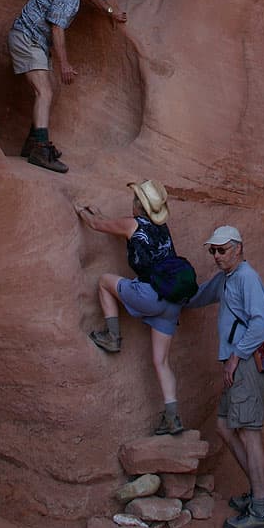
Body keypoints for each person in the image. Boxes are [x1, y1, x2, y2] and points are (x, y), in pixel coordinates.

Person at [75, 179, 185, 436]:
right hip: (171, 303)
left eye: (135, 199)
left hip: (148, 294)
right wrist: (99, 213)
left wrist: (81, 210)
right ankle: (173, 418)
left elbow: (97, 225)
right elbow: (108, 221)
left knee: (104, 282)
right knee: (162, 362)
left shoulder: (132, 223)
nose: (132, 202)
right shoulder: (163, 227)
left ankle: (112, 336)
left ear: (139, 204)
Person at [187, 225, 264, 528]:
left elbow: (262, 323)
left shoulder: (246, 277)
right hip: (236, 365)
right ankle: (257, 490)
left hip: (246, 364)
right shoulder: (226, 279)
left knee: (250, 434)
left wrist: (237, 356)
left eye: (221, 250)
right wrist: (165, 295)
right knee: (225, 427)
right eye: (212, 250)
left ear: (238, 248)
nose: (215, 256)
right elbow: (197, 297)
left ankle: (262, 509)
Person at [7, 0, 126, 173]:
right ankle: (40, 150)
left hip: (34, 41)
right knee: (43, 92)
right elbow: (57, 28)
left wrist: (111, 12)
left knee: (49, 89)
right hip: (27, 38)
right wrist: (64, 64)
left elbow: (95, 0)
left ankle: (33, 142)